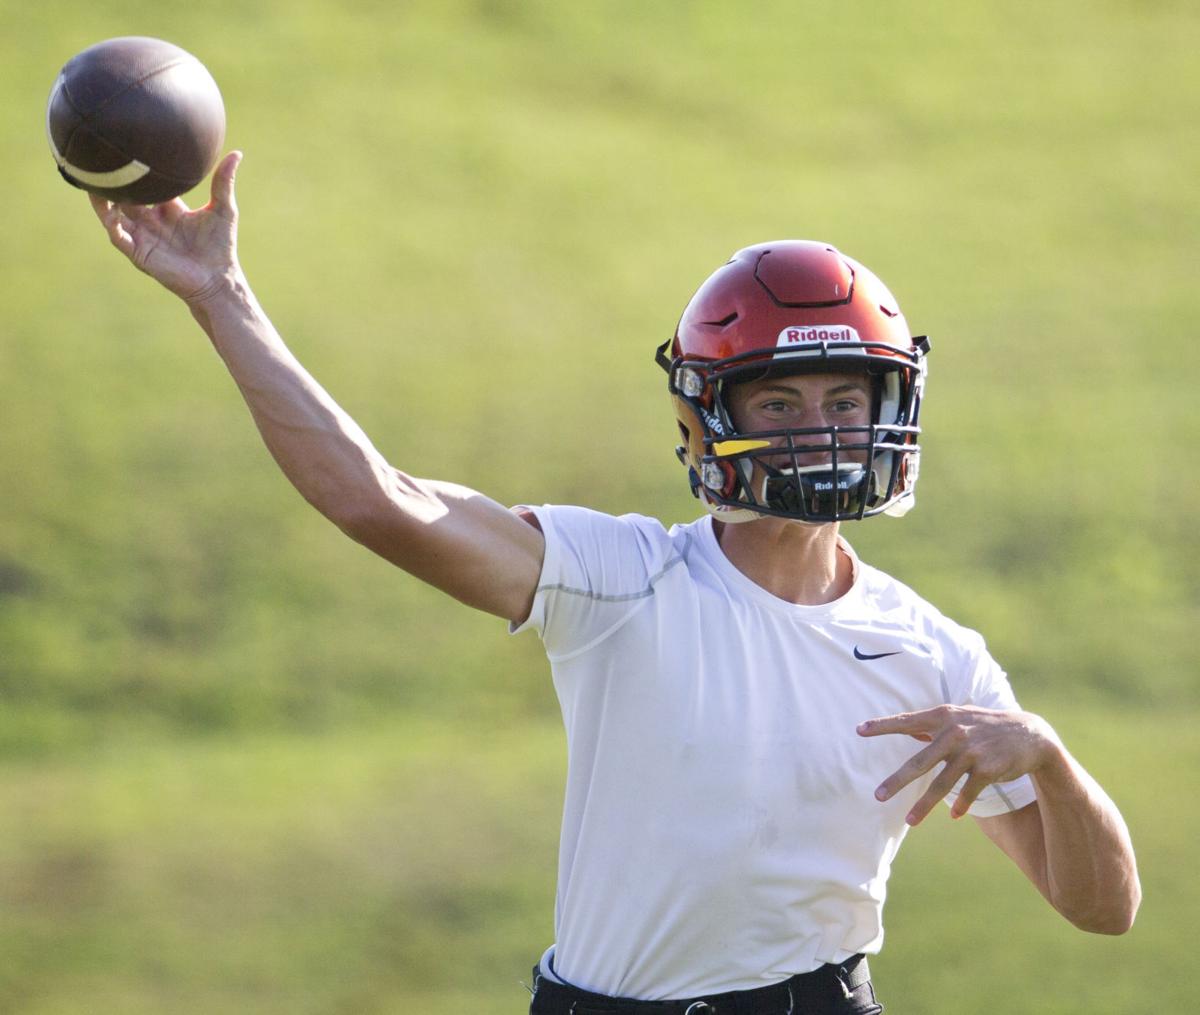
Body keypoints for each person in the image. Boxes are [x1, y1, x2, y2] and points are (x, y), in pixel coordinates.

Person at [89, 153, 1141, 1015]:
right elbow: (381, 501)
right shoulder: (623, 575)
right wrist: (220, 295)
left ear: (889, 411)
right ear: (709, 418)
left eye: (845, 399)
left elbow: (1103, 908)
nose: (821, 430)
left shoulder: (934, 651)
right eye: (779, 404)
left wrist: (1045, 755)